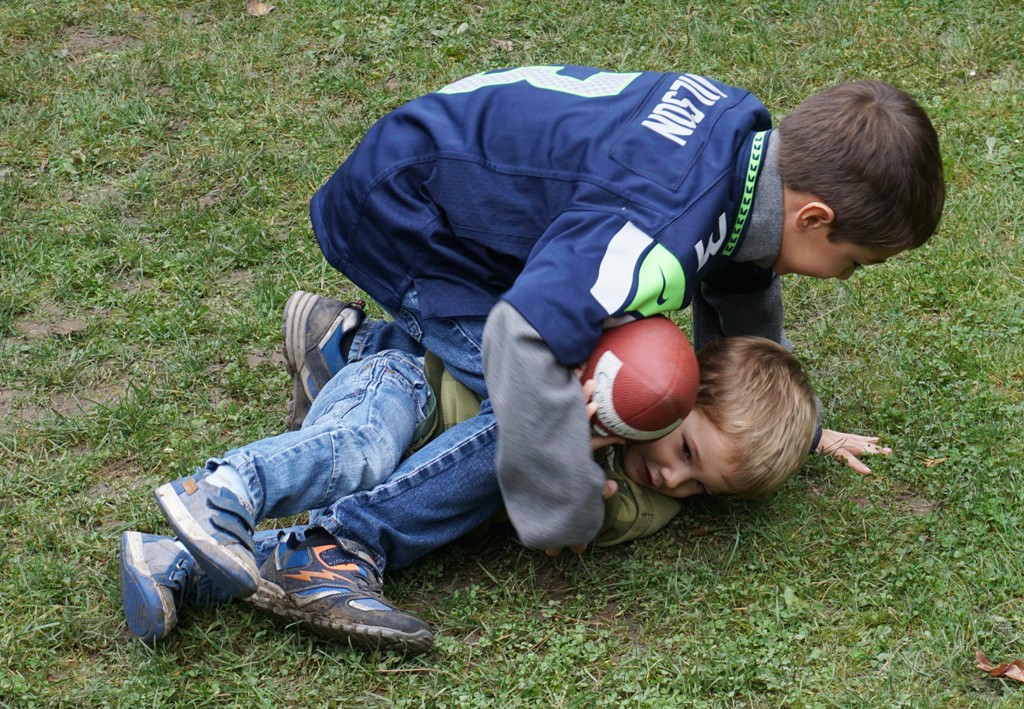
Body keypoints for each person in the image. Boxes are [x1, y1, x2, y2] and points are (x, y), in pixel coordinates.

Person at [130, 64, 940, 650]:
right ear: (815, 218)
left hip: (452, 188)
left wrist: (798, 428)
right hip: (408, 217)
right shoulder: (658, 230)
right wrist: (565, 500)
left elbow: (740, 290)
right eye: (855, 261)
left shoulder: (745, 146)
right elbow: (522, 340)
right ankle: (336, 547)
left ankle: (348, 356)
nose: (846, 277)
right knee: (537, 408)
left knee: (554, 386)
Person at [121, 334, 820, 652]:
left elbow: (589, 519)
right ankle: (228, 485)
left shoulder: (648, 500)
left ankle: (171, 563)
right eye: (685, 450)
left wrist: (578, 449)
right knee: (361, 449)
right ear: (675, 392)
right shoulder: (611, 361)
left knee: (432, 517)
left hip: (434, 479)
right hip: (402, 377)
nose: (673, 478)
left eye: (699, 487)